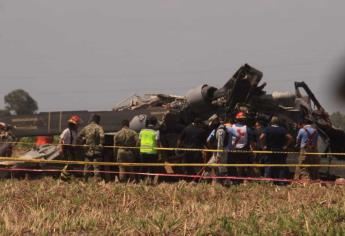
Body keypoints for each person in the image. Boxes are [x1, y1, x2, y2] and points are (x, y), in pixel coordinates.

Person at [260, 116, 293, 181]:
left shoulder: (268, 129)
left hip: (269, 150)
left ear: (271, 122)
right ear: (278, 122)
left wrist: (263, 145)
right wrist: (286, 145)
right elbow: (290, 138)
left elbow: (261, 137)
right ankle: (280, 180)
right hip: (280, 150)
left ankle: (267, 180)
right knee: (280, 166)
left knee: (268, 165)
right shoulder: (282, 129)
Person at [78, 114, 105, 181]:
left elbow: (78, 137)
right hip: (97, 151)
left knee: (87, 167)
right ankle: (97, 181)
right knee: (96, 167)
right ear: (97, 120)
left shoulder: (86, 127)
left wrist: (83, 144)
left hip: (88, 151)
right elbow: (102, 136)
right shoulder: (99, 127)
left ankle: (85, 181)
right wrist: (101, 144)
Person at [229, 112, 255, 178]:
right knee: (243, 164)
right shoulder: (248, 129)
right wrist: (253, 149)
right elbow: (251, 141)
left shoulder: (231, 127)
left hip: (232, 148)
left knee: (232, 163)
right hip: (244, 148)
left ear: (236, 119)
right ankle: (240, 177)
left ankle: (233, 177)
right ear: (244, 120)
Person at [59, 115, 81, 181]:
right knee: (69, 163)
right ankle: (63, 176)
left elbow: (76, 140)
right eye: (77, 124)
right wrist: (61, 149)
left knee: (72, 164)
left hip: (72, 149)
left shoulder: (74, 132)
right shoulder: (66, 131)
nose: (78, 126)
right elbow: (61, 139)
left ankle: (67, 177)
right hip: (67, 148)